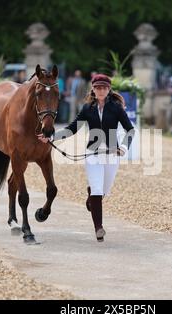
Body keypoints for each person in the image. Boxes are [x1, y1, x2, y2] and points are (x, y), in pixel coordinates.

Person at [37, 74, 135, 242]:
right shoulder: (87, 108)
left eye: (104, 87)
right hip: (93, 155)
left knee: (103, 191)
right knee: (97, 189)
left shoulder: (116, 108)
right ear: (93, 89)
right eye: (98, 88)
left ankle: (92, 198)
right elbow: (72, 128)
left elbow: (130, 130)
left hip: (112, 155)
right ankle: (99, 228)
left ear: (108, 89)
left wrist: (124, 147)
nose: (101, 90)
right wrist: (52, 138)